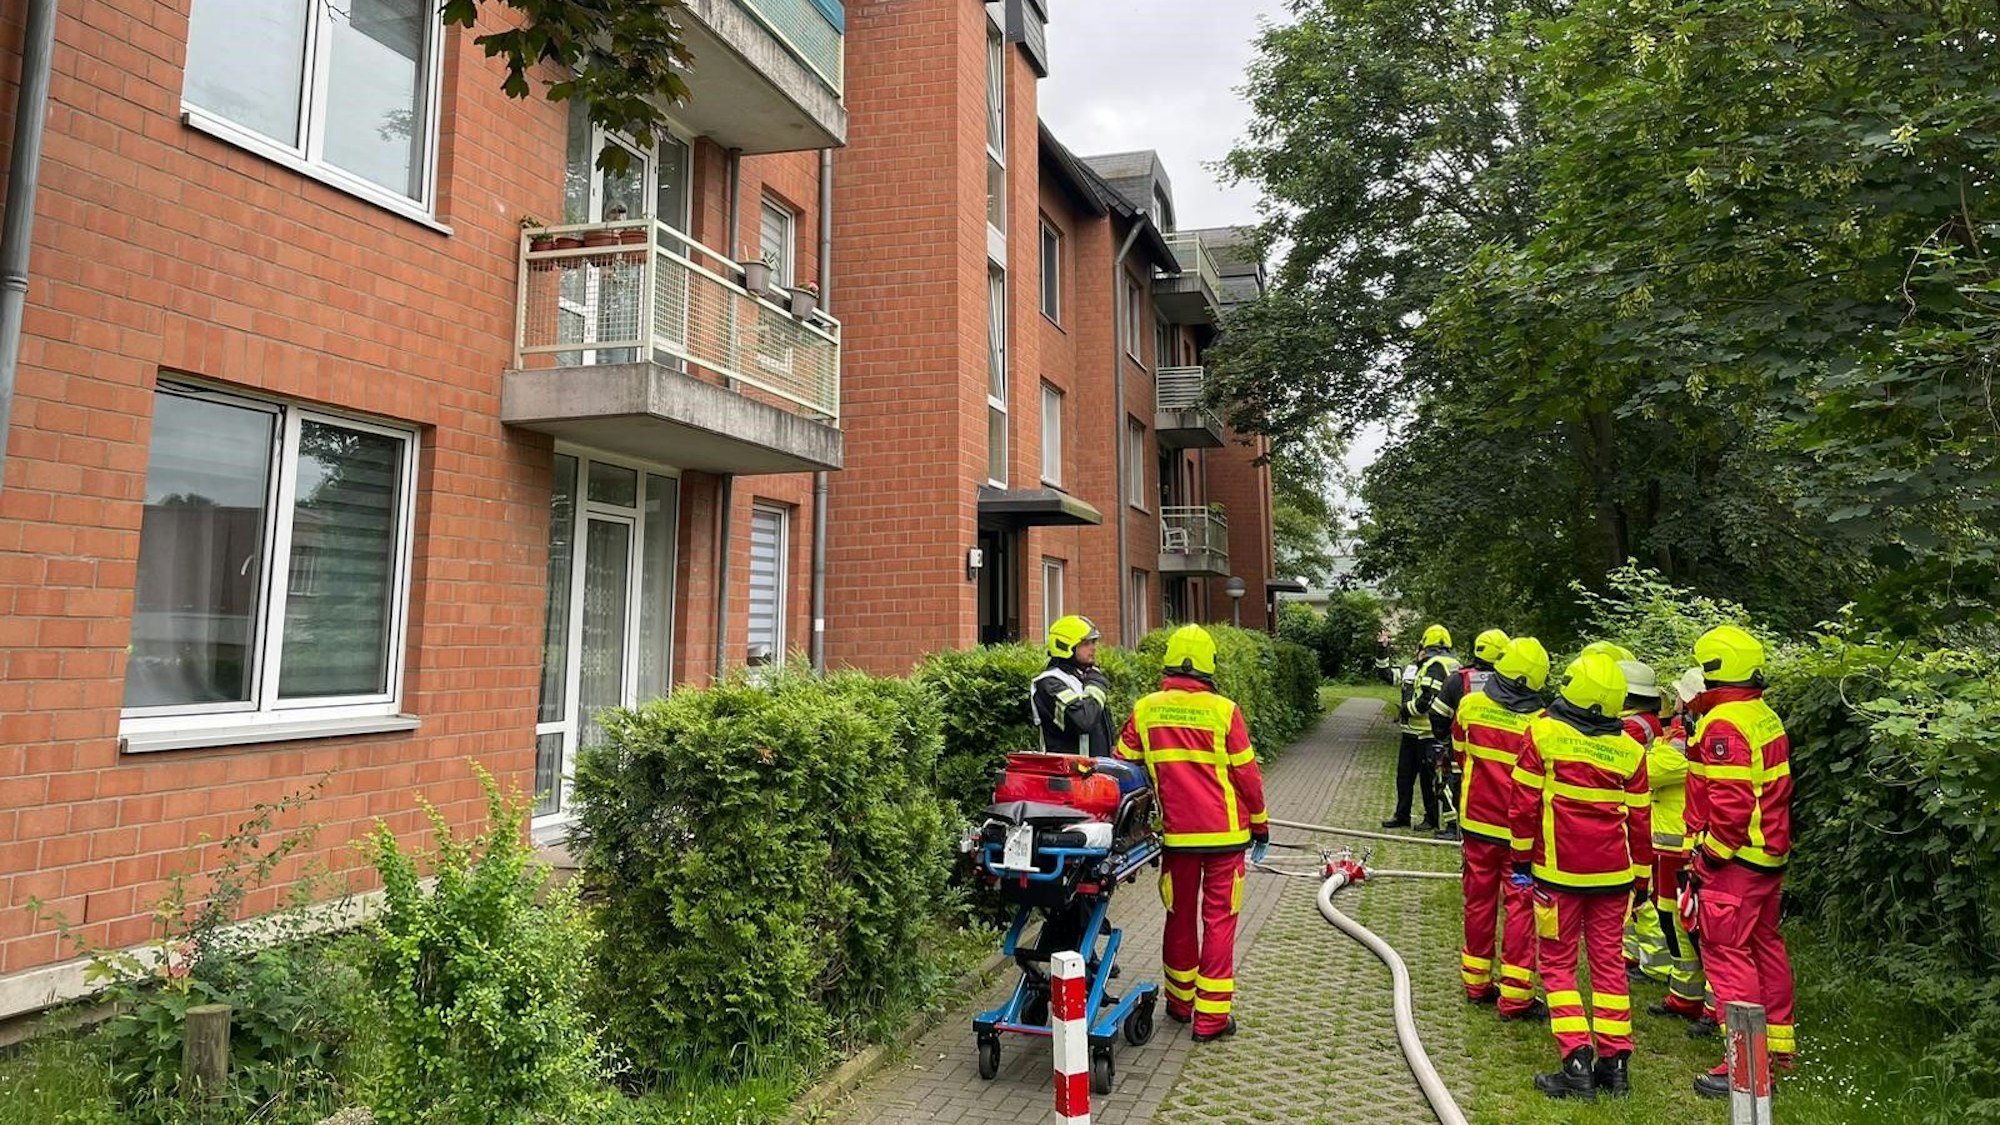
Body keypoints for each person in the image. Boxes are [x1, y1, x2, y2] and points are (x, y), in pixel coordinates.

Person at [1116, 625, 1270, 1043]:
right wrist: (1260, 822)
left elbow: (1121, 767)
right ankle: (1212, 1020)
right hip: (1226, 836)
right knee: (1219, 919)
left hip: (1178, 837)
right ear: (1208, 666)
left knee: (1179, 915)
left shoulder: (1146, 709)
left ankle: (1180, 1003)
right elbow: (1247, 777)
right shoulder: (1224, 711)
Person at [1510, 653, 1652, 1101]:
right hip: (1615, 878)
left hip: (1557, 876)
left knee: (1557, 965)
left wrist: (1519, 861)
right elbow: (1642, 822)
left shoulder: (1544, 733)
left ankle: (1575, 1064)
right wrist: (1643, 880)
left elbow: (1523, 806)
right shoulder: (1631, 750)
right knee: (1609, 965)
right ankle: (1616, 1067)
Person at [1684, 625, 1796, 1098]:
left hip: (1736, 861)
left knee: (1728, 956)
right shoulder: (1762, 714)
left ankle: (1746, 1072)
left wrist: (1707, 859)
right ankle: (1778, 1050)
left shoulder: (1724, 724)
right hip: (1768, 856)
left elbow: (1729, 810)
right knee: (1765, 946)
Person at [1453, 635, 1549, 1020]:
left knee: (1478, 901)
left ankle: (1476, 982)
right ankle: (1516, 995)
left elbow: (1461, 755)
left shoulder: (1471, 706)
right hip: (1520, 833)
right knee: (1520, 906)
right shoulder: (1540, 724)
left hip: (1476, 824)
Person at [1646, 666, 1712, 1027]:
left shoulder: (1690, 743)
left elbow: (1648, 772)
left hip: (1685, 846)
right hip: (1672, 844)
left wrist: (1666, 741)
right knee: (1673, 920)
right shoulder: (1685, 737)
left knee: (1698, 929)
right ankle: (1685, 996)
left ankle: (1713, 1009)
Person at [1616, 661, 1673, 986]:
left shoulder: (1637, 726)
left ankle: (1654, 964)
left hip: (1641, 816)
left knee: (1643, 897)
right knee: (1632, 895)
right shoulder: (1641, 720)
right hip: (1639, 814)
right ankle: (1633, 955)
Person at [1431, 628, 1510, 840]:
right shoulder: (1510, 685)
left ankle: (1452, 828)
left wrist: (1446, 739)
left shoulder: (1458, 679)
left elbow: (1438, 715)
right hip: (1501, 751)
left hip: (1460, 747)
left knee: (1451, 785)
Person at [1384, 625, 1457, 831]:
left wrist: (1405, 709)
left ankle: (1430, 819)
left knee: (1428, 779)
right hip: (1414, 733)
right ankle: (1403, 815)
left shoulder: (1434, 665)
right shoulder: (1448, 663)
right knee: (1406, 776)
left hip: (1428, 734)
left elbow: (1427, 700)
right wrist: (1383, 650)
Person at [1030, 616, 1115, 756]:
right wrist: (1096, 683)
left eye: (1093, 642)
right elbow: (1083, 720)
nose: (1093, 648)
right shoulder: (1048, 683)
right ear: (1065, 646)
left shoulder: (1083, 679)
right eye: (1085, 643)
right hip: (1066, 774)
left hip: (1095, 772)